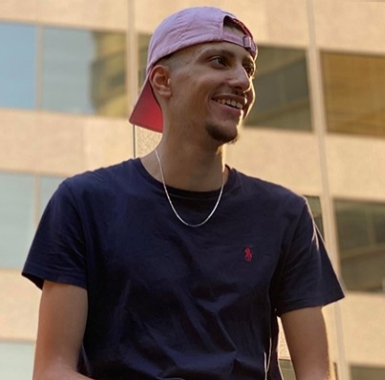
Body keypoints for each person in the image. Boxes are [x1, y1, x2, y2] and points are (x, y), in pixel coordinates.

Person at [23, 6, 344, 380]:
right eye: (220, 61)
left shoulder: (285, 215)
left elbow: (317, 373)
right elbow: (52, 370)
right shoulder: (83, 204)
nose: (242, 80)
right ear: (162, 81)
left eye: (248, 68)